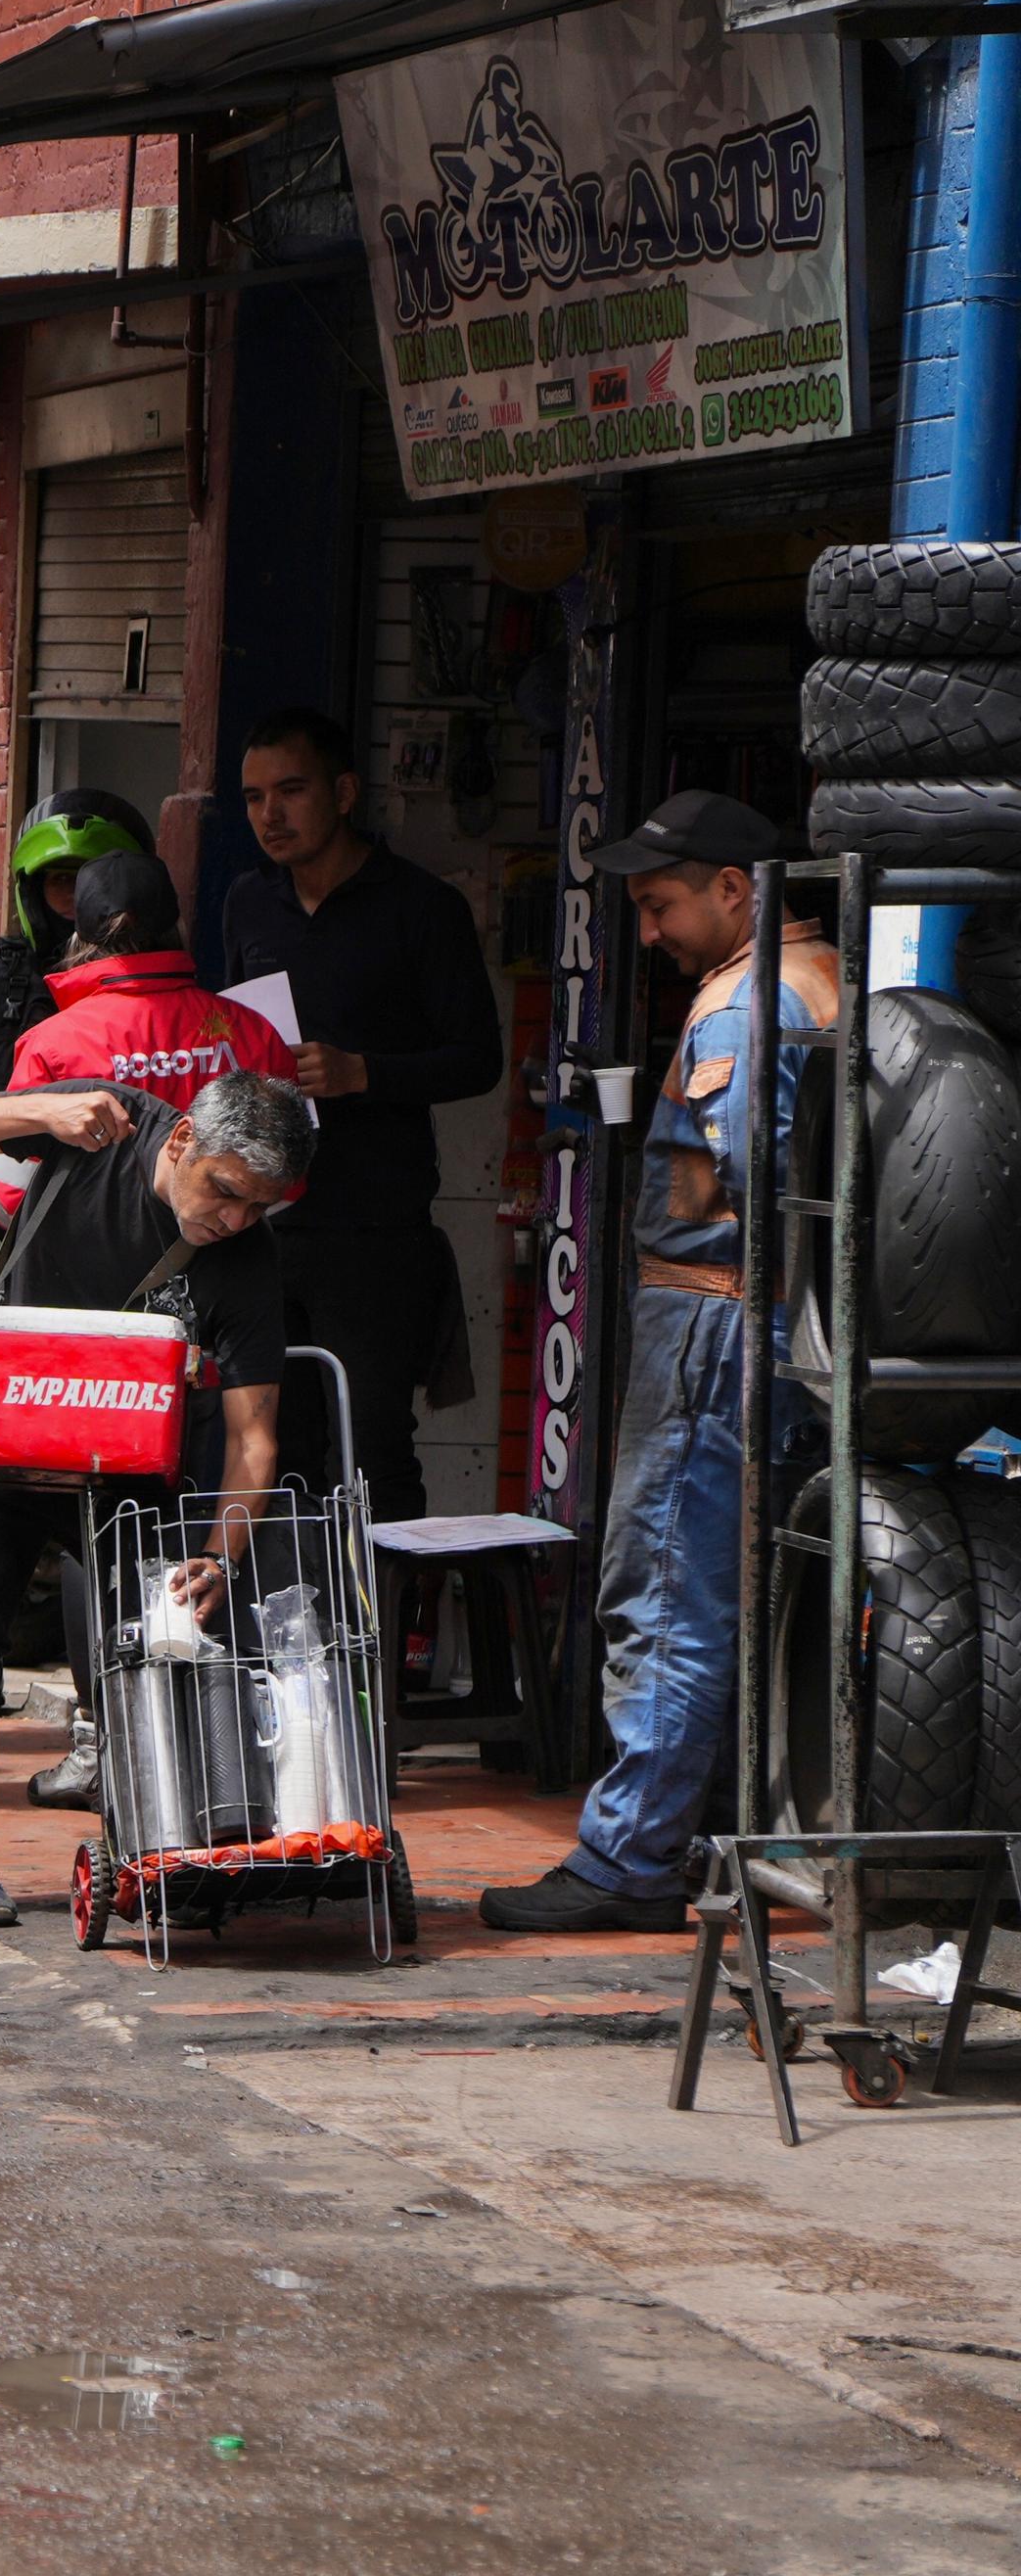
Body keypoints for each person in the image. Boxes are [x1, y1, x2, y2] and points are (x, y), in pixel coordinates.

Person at [486, 791, 831, 1934]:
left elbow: (744, 1185)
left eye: (659, 904)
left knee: (665, 1593)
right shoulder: (826, 979)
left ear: (735, 889)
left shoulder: (741, 1006)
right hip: (765, 1328)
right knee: (730, 1595)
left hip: (713, 1327)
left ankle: (628, 1857)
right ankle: (700, 1831)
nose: (645, 932)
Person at [0, 1069, 314, 1925]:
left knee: (149, 1641)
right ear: (186, 1140)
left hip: (124, 1468)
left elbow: (252, 1435)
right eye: (227, 1193)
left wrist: (219, 1558)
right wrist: (39, 1113)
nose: (233, 1220)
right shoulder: (102, 1128)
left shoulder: (245, 1259)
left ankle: (151, 1842)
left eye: (258, 1208)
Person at [219, 707, 504, 1522]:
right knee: (276, 1452)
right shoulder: (249, 904)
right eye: (252, 797)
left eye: (291, 791)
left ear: (343, 792)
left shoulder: (419, 906)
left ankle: (384, 1648)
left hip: (377, 1229)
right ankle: (292, 1642)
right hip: (267, 1224)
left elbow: (477, 1058)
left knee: (373, 1446)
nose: (269, 814)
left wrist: (363, 1074)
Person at [0, 849, 300, 1222]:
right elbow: (287, 1181)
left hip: (94, 1271)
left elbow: (10, 1195)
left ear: (79, 938)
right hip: (223, 1266)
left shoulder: (52, 1043)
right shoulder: (254, 1030)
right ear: (176, 925)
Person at [0, 789, 150, 1095]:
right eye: (62, 880)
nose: (77, 896)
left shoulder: (150, 988)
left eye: (89, 881)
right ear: (35, 892)